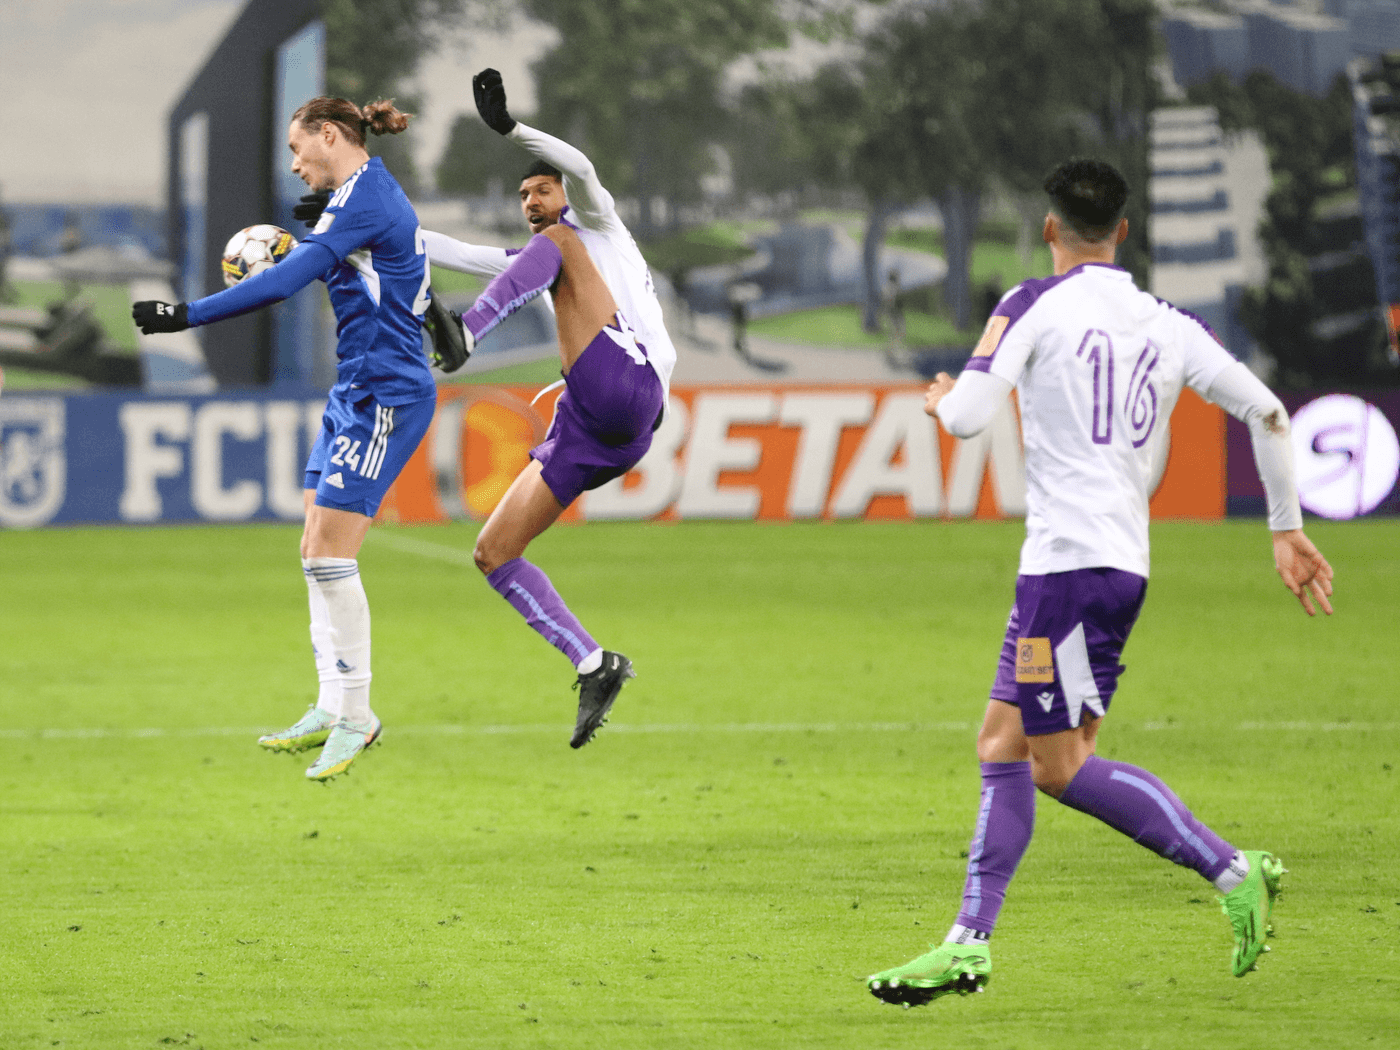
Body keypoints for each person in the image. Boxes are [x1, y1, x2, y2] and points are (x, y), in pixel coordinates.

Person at [866, 159, 1334, 1006]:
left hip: (1069, 572)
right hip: (1104, 561)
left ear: (1051, 229)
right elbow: (1269, 411)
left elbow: (969, 418)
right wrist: (1286, 528)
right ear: (1123, 231)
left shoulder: (1030, 304)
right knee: (1001, 746)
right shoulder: (1168, 321)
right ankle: (967, 944)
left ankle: (1233, 871)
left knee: (1060, 765)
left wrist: (941, 399)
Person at [133, 96, 465, 782]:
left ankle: (358, 714)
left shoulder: (365, 197)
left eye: (298, 149)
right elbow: (400, 269)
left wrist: (186, 315)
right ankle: (330, 701)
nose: (294, 164)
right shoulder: (354, 199)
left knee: (328, 554)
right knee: (312, 546)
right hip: (355, 390)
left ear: (331, 134)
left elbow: (284, 281)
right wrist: (434, 319)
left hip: (386, 398)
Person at [416, 69, 676, 748]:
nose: (532, 200)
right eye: (524, 193)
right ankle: (594, 663)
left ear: (565, 191)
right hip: (599, 429)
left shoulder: (593, 227)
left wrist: (512, 131)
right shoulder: (545, 255)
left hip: (631, 386)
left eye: (541, 188)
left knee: (549, 248)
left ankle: (466, 331)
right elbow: (456, 250)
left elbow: (583, 168)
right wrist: (347, 233)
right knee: (494, 552)